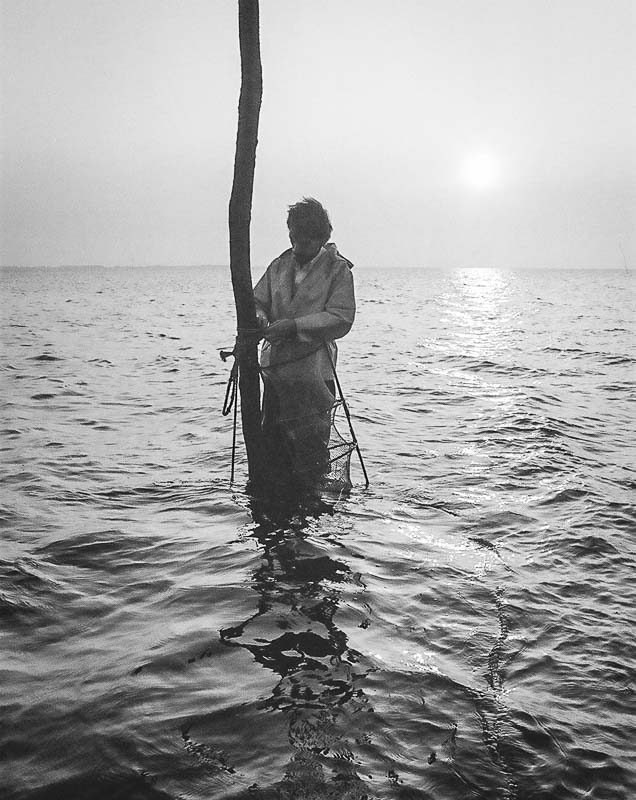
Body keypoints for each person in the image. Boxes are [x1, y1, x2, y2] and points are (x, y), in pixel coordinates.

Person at [253, 197, 355, 497]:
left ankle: (310, 516)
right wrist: (259, 317)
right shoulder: (279, 265)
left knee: (311, 456)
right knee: (273, 449)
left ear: (322, 239)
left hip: (314, 376)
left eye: (309, 241)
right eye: (297, 238)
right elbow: (258, 300)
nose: (301, 246)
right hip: (276, 374)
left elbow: (341, 317)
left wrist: (295, 326)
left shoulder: (338, 271)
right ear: (290, 235)